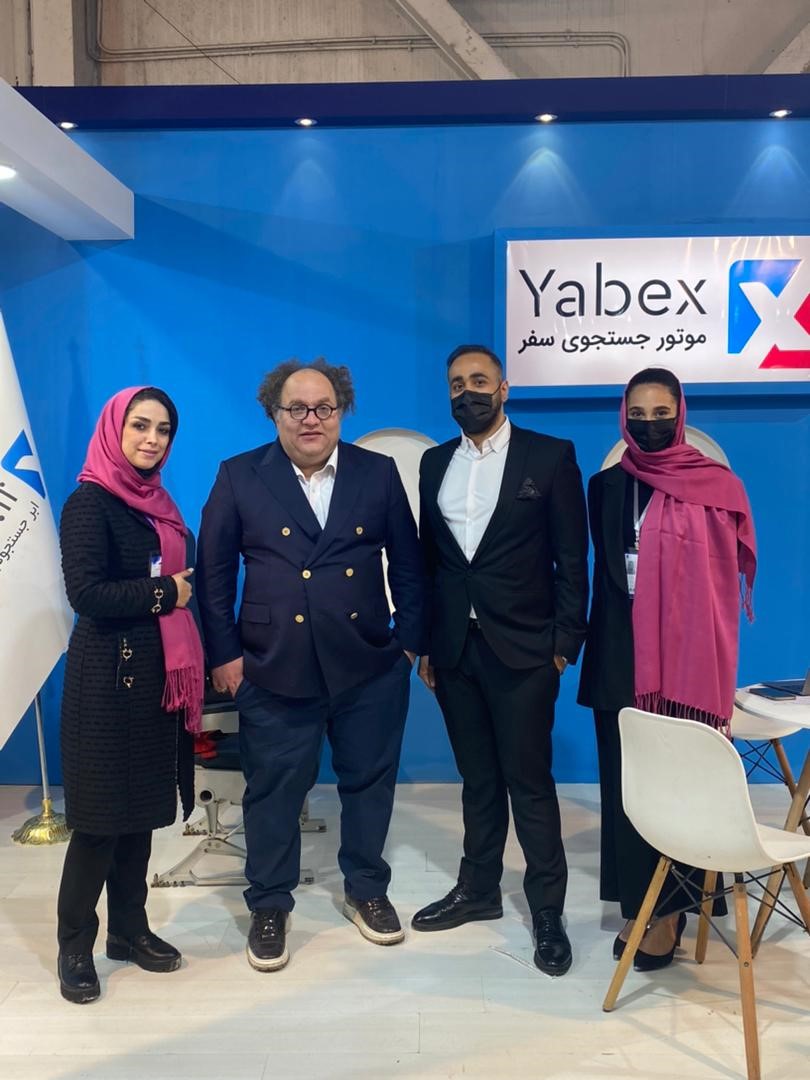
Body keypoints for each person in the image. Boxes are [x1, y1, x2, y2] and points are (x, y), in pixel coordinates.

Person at [196, 358, 425, 972]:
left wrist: (407, 644)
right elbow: (214, 575)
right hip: (273, 665)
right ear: (274, 414)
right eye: (296, 408)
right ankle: (270, 904)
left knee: (369, 783)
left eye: (324, 407)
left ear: (341, 411)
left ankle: (366, 889)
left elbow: (409, 563)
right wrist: (225, 656)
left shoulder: (376, 472)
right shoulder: (239, 475)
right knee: (272, 792)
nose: (311, 419)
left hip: (368, 663)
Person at [412, 344, 589, 976]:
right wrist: (426, 644)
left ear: (504, 388)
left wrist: (563, 646)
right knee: (478, 779)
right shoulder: (434, 463)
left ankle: (547, 910)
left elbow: (573, 559)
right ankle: (479, 889)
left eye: (480, 380)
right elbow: (432, 563)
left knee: (529, 784)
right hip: (454, 651)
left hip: (526, 650)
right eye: (457, 383)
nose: (468, 392)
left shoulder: (550, 456)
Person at [578, 367, 756, 970]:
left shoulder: (716, 486)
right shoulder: (604, 487)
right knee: (626, 788)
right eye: (637, 414)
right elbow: (606, 576)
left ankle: (673, 911)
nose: (648, 424)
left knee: (681, 783)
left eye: (660, 414)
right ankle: (639, 904)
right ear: (622, 417)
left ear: (679, 416)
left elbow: (720, 583)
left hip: (686, 661)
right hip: (619, 656)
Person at [56, 386, 204, 1004]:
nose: (152, 439)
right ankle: (74, 946)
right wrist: (166, 594)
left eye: (163, 429)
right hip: (105, 688)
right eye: (140, 425)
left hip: (153, 687)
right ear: (114, 430)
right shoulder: (89, 502)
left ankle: (128, 930)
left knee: (140, 817)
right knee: (98, 825)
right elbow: (87, 594)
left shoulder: (157, 503)